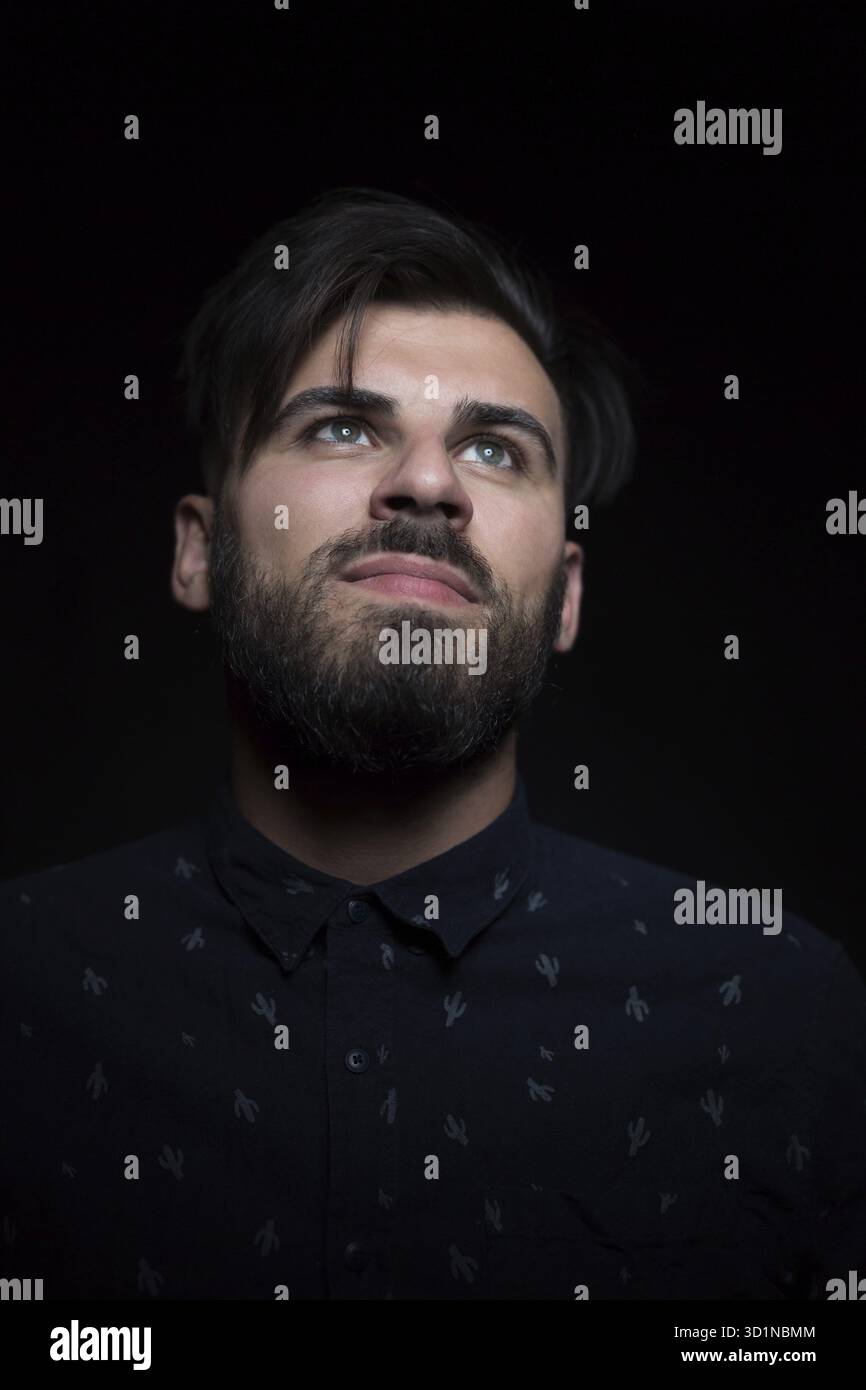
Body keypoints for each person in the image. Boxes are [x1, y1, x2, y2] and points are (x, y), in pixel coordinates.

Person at [1, 188, 863, 1301]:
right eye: (343, 427)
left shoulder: (784, 1015)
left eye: (495, 449)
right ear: (199, 552)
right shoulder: (20, 994)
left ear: (562, 595)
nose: (426, 483)